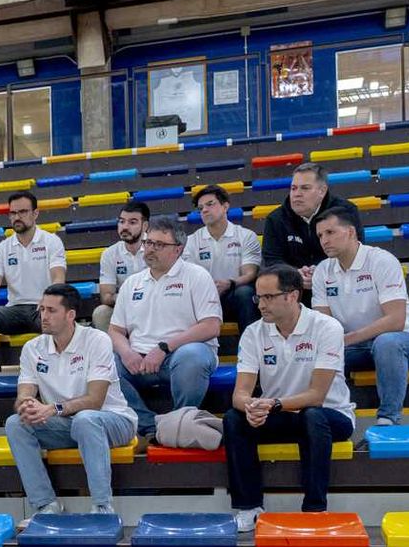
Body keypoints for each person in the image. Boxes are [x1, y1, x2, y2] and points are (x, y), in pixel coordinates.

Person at [225, 264, 356, 532]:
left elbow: (317, 396)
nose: (261, 304)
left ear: (292, 295)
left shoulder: (327, 327)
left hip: (332, 415)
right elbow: (240, 393)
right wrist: (250, 406)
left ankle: (315, 508)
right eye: (258, 297)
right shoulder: (253, 332)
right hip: (279, 412)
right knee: (233, 419)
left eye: (268, 297)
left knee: (312, 415)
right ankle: (249, 506)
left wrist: (274, 404)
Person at [4, 284, 138, 522]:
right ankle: (46, 505)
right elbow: (24, 392)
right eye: (41, 309)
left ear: (71, 315)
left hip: (114, 420)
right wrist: (26, 405)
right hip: (69, 423)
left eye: (51, 310)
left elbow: (95, 401)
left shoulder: (97, 340)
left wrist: (53, 408)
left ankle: (103, 507)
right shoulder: (32, 348)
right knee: (17, 423)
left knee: (86, 420)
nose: (43, 316)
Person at [310, 204, 409, 428]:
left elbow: (396, 320)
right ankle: (328, 417)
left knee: (386, 343)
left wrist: (345, 340)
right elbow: (323, 325)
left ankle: (388, 418)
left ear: (351, 232)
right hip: (357, 346)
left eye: (330, 232)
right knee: (312, 351)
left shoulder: (381, 260)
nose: (324, 240)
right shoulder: (322, 271)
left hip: (404, 340)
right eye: (320, 235)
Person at [108, 214, 222, 439]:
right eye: (148, 242)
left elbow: (211, 326)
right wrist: (127, 352)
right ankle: (151, 426)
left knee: (193, 356)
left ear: (177, 249)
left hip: (180, 355)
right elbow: (115, 330)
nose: (150, 249)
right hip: (138, 360)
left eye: (159, 244)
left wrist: (163, 348)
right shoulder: (132, 283)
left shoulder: (197, 276)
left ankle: (179, 420)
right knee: (104, 361)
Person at [0, 190, 66, 382]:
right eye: (13, 213)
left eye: (22, 212)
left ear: (35, 214)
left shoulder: (51, 241)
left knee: (55, 318)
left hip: (42, 309)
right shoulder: (3, 248)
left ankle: (55, 377)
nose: (17, 217)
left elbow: (58, 279)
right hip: (15, 310)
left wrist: (46, 302)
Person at [262, 162, 351, 291]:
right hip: (292, 286)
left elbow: (353, 250)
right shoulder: (275, 219)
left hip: (338, 281)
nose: (297, 194)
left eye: (305, 188)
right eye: (293, 188)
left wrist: (320, 271)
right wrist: (294, 274)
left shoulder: (346, 212)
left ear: (322, 191)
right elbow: (272, 261)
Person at [183, 184, 260, 329]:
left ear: (225, 206)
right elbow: (190, 277)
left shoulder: (245, 235)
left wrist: (229, 284)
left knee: (246, 293)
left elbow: (250, 273)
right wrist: (209, 289)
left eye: (210, 204)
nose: (205, 210)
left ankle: (252, 348)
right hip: (203, 299)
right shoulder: (191, 241)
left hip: (233, 295)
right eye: (200, 208)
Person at [93, 201, 148, 331]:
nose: (125, 227)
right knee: (101, 313)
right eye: (122, 222)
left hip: (154, 305)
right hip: (124, 308)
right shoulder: (110, 253)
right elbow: (106, 297)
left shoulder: (156, 246)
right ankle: (113, 350)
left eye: (132, 222)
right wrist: (132, 298)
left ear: (145, 226)